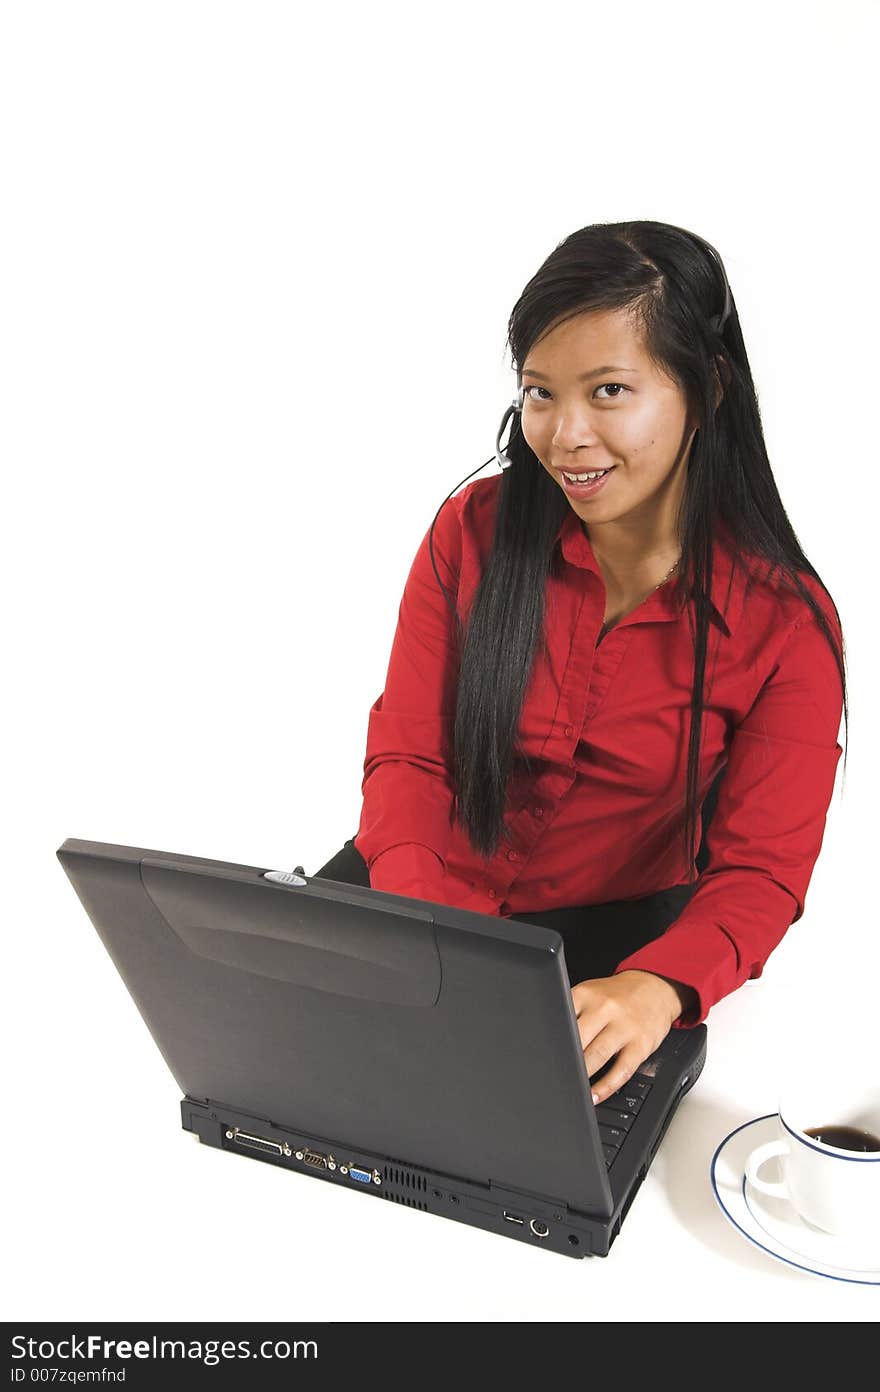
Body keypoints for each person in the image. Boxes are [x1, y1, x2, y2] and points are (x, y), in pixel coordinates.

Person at [315, 220, 847, 1106]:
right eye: (539, 393)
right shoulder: (471, 534)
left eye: (608, 391)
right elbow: (409, 757)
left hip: (607, 945)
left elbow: (762, 872)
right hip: (419, 888)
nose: (564, 436)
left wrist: (658, 989)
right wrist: (422, 921)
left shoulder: (786, 624)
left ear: (707, 387)